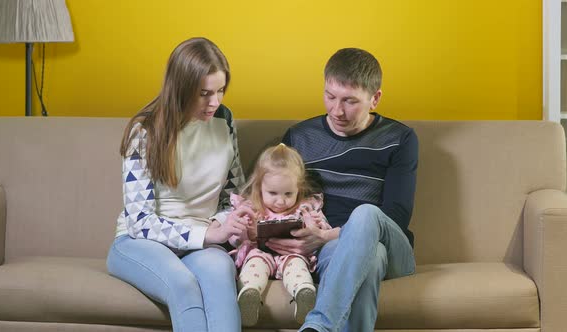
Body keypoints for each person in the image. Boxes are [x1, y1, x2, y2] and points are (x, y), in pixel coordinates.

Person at [106, 37, 254, 332]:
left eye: (220, 90)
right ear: (181, 87)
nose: (215, 102)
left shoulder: (224, 120)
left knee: (221, 278)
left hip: (205, 242)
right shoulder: (145, 130)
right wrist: (206, 234)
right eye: (203, 93)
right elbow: (140, 222)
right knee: (183, 285)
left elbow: (232, 197)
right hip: (141, 243)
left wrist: (228, 223)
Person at [267, 48, 418, 332]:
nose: (337, 111)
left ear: (375, 99)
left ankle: (319, 325)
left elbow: (396, 215)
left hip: (392, 244)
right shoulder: (300, 137)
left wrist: (323, 235)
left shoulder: (400, 139)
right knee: (370, 262)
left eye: (350, 101)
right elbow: (279, 200)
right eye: (330, 96)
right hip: (333, 249)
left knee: (366, 214)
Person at [227, 143, 331, 327]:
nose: (281, 201)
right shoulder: (251, 208)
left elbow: (323, 232)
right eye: (273, 193)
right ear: (259, 187)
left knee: (297, 264)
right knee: (255, 262)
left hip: (292, 254)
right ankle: (249, 295)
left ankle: (304, 293)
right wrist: (247, 233)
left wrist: (313, 227)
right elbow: (233, 238)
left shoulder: (306, 208)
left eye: (288, 193)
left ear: (299, 188)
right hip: (259, 252)